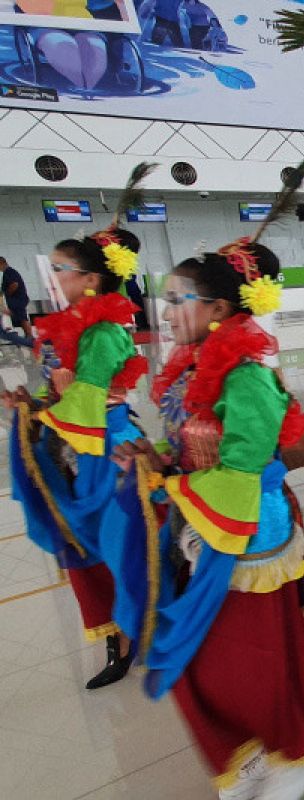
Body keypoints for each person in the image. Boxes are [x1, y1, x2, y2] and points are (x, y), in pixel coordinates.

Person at [110, 194, 304, 798]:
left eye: (178, 300)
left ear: (217, 308)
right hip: (198, 526)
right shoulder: (186, 368)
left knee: (253, 658)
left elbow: (243, 471)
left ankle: (298, 753)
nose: (166, 311)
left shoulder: (249, 377)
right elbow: (185, 450)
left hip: (247, 537)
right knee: (207, 662)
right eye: (165, 299)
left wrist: (170, 482)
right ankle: (253, 752)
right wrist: (153, 460)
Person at [5, 218, 149, 689]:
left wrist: (62, 397)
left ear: (91, 280)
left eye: (63, 268)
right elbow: (68, 397)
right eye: (55, 267)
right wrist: (36, 405)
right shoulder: (72, 327)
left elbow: (91, 403)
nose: (55, 276)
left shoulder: (104, 332)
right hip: (78, 450)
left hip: (107, 451)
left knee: (111, 544)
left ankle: (133, 633)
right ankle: (117, 633)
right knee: (83, 544)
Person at [0, 256, 33, 339]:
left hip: (18, 300)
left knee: (22, 318)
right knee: (18, 317)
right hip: (16, 300)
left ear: (2, 263)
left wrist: (7, 294)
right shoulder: (7, 272)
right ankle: (27, 336)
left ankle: (30, 336)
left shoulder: (9, 272)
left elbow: (14, 285)